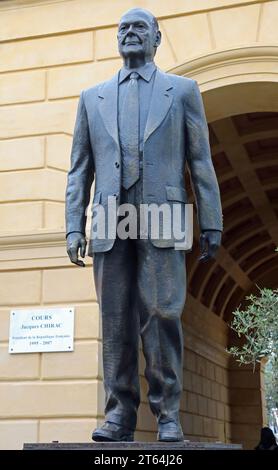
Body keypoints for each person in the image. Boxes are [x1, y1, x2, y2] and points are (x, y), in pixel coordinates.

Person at [65, 8, 222, 442]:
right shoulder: (91, 98)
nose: (129, 33)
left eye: (139, 28)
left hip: (164, 215)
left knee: (161, 312)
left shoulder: (184, 91)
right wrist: (73, 227)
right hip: (108, 218)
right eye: (123, 28)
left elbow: (200, 160)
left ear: (157, 37)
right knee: (115, 319)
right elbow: (79, 170)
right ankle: (118, 414)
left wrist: (211, 220)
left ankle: (168, 413)